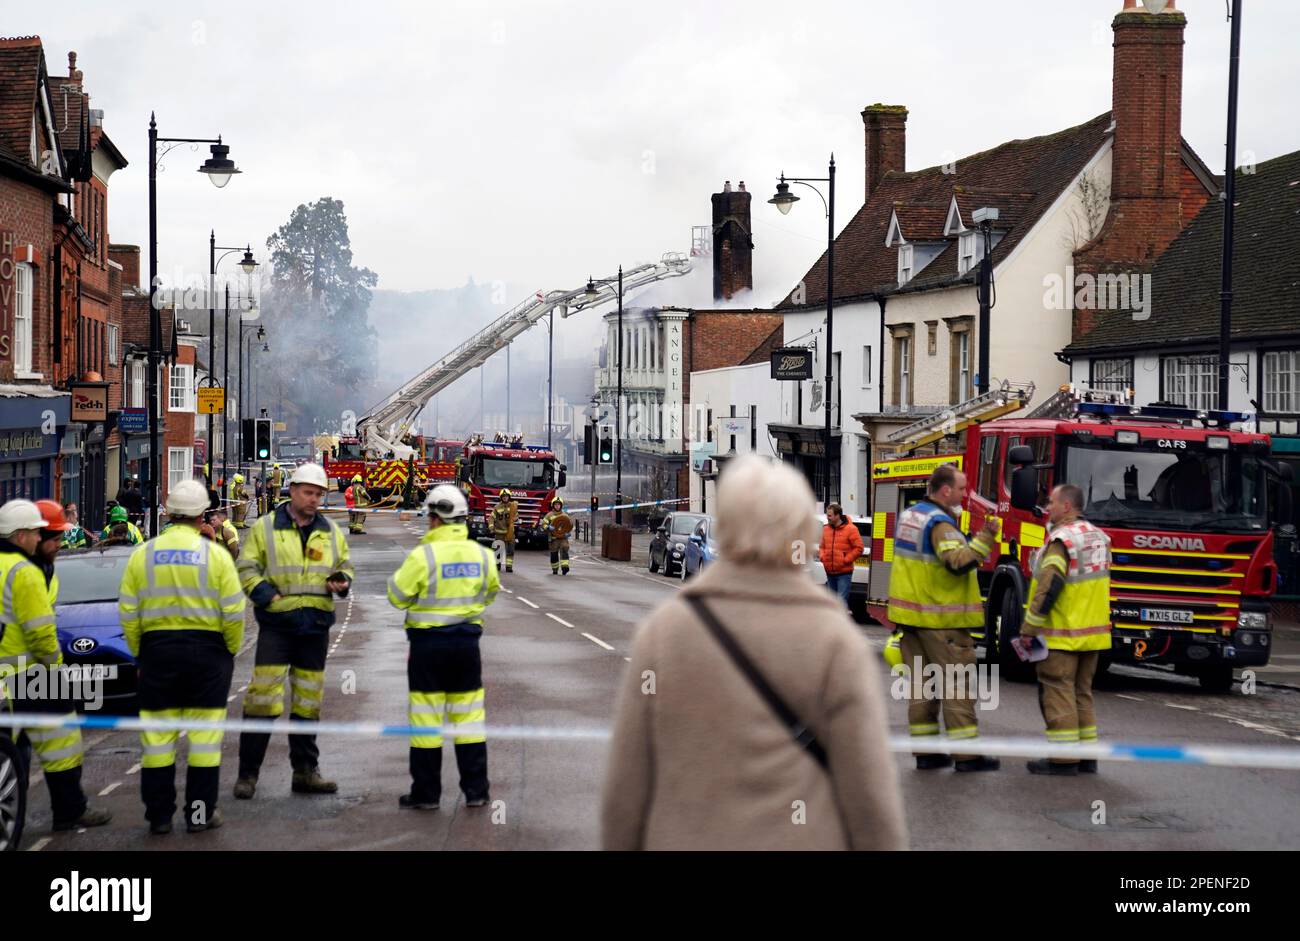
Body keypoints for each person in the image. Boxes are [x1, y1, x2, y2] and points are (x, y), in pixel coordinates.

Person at [601, 455, 906, 850]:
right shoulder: (834, 641)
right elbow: (869, 797)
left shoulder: (666, 632)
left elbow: (627, 789)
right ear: (800, 534)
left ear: (724, 528)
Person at [118, 480, 246, 834]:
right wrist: (229, 650)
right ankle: (200, 816)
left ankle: (159, 817)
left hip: (158, 652)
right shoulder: (217, 556)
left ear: (169, 513)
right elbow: (234, 613)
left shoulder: (143, 555)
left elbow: (129, 611)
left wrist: (140, 653)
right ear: (202, 513)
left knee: (157, 741)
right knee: (205, 741)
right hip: (209, 654)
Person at [232, 462, 353, 799]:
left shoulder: (330, 531)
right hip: (277, 627)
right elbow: (246, 568)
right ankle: (248, 775)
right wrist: (264, 595)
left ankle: (305, 772)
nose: (314, 499)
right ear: (293, 490)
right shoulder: (266, 527)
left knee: (308, 702)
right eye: (308, 492)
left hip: (315, 626)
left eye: (319, 494)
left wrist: (341, 583)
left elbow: (343, 566)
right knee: (261, 699)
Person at [0, 499, 112, 832]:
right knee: (62, 742)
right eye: (39, 534)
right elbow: (41, 634)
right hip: (30, 674)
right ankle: (69, 810)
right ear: (21, 536)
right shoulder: (25, 573)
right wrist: (57, 672)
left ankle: (14, 811)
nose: (50, 542)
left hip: (7, 677)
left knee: (12, 752)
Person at [386, 484, 498, 810]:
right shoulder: (482, 555)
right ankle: (476, 791)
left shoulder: (424, 555)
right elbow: (490, 592)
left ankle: (427, 793)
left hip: (428, 647)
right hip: (467, 646)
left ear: (435, 519)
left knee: (426, 720)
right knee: (470, 718)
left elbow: (397, 595)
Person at [886, 464, 1001, 772]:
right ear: (946, 490)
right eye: (962, 489)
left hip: (912, 620)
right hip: (943, 623)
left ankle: (925, 753)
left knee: (922, 688)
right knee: (956, 686)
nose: (965, 495)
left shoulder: (911, 516)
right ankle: (967, 756)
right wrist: (985, 538)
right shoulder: (941, 524)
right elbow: (958, 563)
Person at [1020, 484, 1112, 776]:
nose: (1047, 508)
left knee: (1057, 691)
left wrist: (1029, 628)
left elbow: (1049, 587)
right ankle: (1087, 757)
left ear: (1067, 506)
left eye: (1051, 502)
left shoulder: (1062, 540)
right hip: (1093, 633)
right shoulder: (1099, 537)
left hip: (1062, 634)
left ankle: (1062, 759)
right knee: (1082, 694)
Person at [819, 503, 863, 604]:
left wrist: (845, 560)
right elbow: (822, 547)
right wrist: (823, 557)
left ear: (838, 515)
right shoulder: (826, 529)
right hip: (830, 572)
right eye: (827, 515)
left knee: (841, 603)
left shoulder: (851, 529)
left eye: (830, 515)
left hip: (844, 573)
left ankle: (840, 619)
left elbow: (859, 548)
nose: (827, 518)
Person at [541, 497, 573, 575]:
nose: (557, 506)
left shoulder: (565, 515)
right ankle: (555, 569)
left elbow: (569, 525)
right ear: (553, 505)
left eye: (559, 504)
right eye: (556, 504)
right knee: (554, 554)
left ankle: (565, 567)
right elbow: (543, 524)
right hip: (553, 538)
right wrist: (548, 527)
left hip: (563, 538)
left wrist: (568, 533)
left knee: (565, 549)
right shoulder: (549, 515)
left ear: (561, 506)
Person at [490, 489, 518, 573]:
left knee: (510, 550)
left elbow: (517, 516)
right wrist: (491, 527)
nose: (505, 498)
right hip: (499, 533)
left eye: (507, 496)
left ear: (509, 497)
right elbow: (491, 518)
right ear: (501, 497)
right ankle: (497, 565)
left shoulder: (513, 506)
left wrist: (514, 519)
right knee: (498, 551)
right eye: (504, 496)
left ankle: (509, 567)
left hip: (510, 533)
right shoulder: (497, 507)